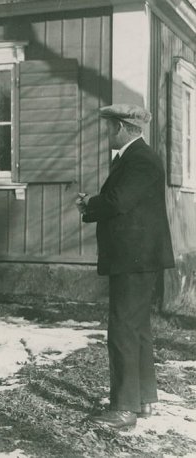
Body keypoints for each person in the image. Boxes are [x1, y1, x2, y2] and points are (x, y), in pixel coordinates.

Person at [76, 103, 174, 429]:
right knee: (137, 329)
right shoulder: (137, 159)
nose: (105, 134)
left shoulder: (139, 160)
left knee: (122, 330)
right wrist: (92, 205)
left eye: (108, 128)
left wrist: (91, 203)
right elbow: (122, 200)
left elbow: (118, 201)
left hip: (133, 259)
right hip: (138, 258)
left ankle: (123, 409)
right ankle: (144, 400)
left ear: (120, 128)